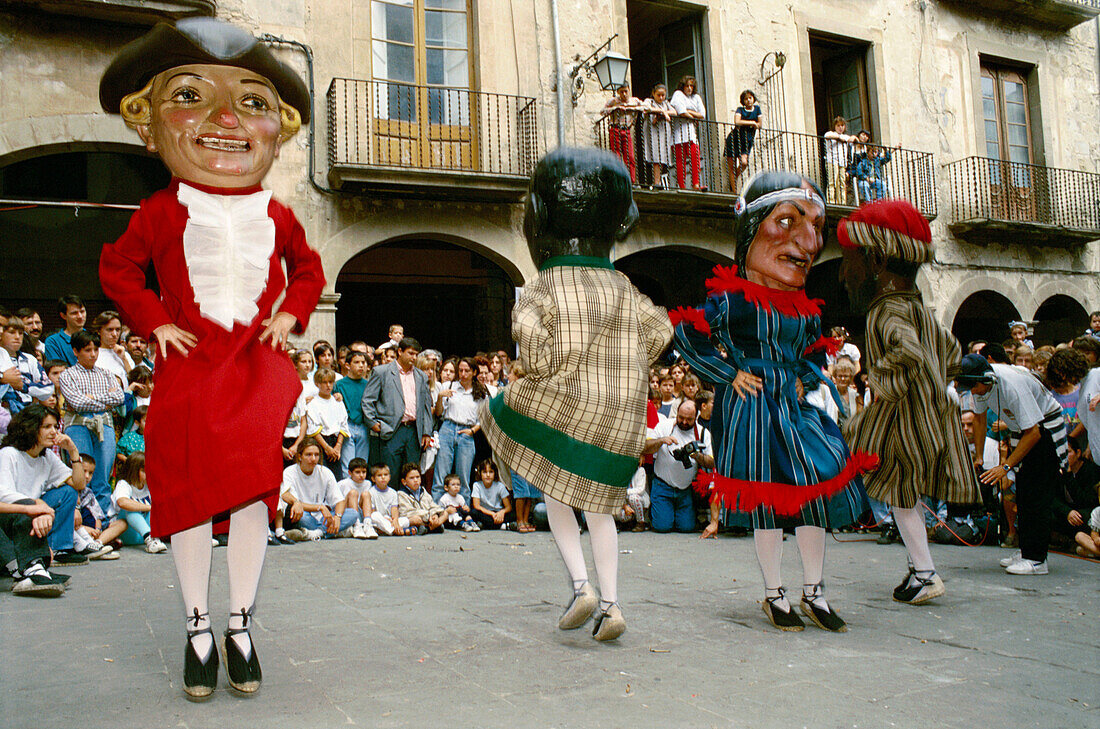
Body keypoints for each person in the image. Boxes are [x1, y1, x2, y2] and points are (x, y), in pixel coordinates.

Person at [97, 18, 325, 698]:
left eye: (252, 103)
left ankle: (240, 624)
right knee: (191, 500)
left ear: (277, 128)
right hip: (191, 372)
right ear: (149, 123)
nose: (225, 119)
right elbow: (120, 269)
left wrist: (290, 313)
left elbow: (308, 270)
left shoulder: (280, 214)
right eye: (192, 96)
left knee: (256, 492)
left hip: (254, 370)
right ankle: (198, 627)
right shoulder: (160, 211)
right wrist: (156, 321)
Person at [480, 148, 672, 642]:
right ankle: (611, 605)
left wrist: (541, 367)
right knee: (601, 507)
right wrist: (623, 361)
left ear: (540, 217)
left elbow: (535, 353)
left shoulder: (545, 285)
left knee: (549, 481)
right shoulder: (624, 285)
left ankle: (581, 586)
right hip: (615, 420)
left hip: (565, 409)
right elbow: (660, 333)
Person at [672, 170, 874, 633]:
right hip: (752, 409)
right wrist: (730, 374)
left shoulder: (803, 306)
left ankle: (815, 592)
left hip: (792, 405)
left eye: (817, 226)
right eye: (788, 223)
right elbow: (686, 331)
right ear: (750, 233)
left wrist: (805, 375)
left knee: (816, 488)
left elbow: (805, 352)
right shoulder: (732, 301)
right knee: (765, 500)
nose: (808, 242)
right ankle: (774, 594)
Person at [838, 199, 981, 604]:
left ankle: (925, 573)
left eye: (851, 260)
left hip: (904, 419)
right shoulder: (918, 306)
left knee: (899, 492)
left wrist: (882, 382)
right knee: (904, 496)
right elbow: (952, 353)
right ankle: (918, 568)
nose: (846, 274)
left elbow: (909, 353)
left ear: (877, 258)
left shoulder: (884, 310)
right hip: (929, 413)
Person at [955, 353, 1067, 575]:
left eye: (973, 387)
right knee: (1023, 492)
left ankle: (1037, 560)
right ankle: (1027, 550)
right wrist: (979, 456)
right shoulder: (980, 384)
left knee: (1036, 494)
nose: (972, 392)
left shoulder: (1012, 386)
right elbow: (979, 417)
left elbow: (1034, 433)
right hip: (1022, 430)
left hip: (1045, 430)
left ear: (985, 379)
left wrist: (1005, 466)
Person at [0, 404, 89, 568]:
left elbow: (78, 484)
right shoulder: (9, 453)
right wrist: (36, 504)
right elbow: (3, 495)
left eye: (55, 426)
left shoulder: (47, 456)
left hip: (35, 512)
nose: (54, 431)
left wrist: (73, 451)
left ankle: (58, 549)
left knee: (67, 492)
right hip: (12, 516)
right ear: (31, 428)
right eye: (47, 427)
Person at [58, 331, 125, 515]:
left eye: (95, 349)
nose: (93, 354)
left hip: (104, 424)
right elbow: (77, 403)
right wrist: (106, 399)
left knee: (102, 476)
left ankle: (102, 522)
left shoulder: (107, 374)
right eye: (88, 350)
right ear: (76, 351)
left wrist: (92, 397)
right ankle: (84, 522)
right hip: (78, 424)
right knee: (81, 473)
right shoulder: (68, 375)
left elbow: (119, 398)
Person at [361, 337, 433, 484]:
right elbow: (368, 400)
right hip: (391, 429)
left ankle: (410, 505)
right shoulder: (382, 372)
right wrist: (373, 423)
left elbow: (426, 406)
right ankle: (391, 505)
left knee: (412, 474)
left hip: (414, 430)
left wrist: (426, 431)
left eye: (416, 354)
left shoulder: (421, 376)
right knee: (391, 472)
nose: (414, 357)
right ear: (399, 351)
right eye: (410, 353)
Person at [643, 400, 714, 533]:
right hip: (662, 485)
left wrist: (697, 456)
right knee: (662, 527)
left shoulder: (703, 433)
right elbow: (646, 448)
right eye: (681, 418)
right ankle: (663, 512)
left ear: (696, 416)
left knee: (686, 528)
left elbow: (712, 462)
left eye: (689, 419)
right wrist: (661, 441)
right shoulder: (664, 426)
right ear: (677, 413)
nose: (684, 422)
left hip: (685, 489)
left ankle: (677, 514)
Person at [281, 438, 358, 540]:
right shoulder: (289, 472)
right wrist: (320, 507)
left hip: (323, 517)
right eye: (308, 455)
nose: (313, 458)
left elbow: (340, 500)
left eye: (316, 455)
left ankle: (316, 533)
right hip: (304, 514)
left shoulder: (325, 472)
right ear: (299, 456)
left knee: (353, 514)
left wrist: (338, 517)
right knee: (302, 517)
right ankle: (336, 532)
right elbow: (285, 495)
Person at [431, 357, 484, 502]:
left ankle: (464, 513)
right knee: (441, 472)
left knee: (463, 475)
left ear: (474, 372)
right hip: (448, 427)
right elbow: (439, 413)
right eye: (460, 370)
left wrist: (472, 431)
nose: (463, 374)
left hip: (466, 431)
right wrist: (440, 397)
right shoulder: (449, 385)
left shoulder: (479, 392)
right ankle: (437, 509)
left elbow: (483, 419)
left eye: (467, 370)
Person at [111, 451, 169, 553]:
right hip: (125, 532)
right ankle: (151, 540)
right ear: (133, 470)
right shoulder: (124, 484)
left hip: (143, 533)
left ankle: (156, 539)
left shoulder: (149, 486)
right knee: (131, 509)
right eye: (144, 471)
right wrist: (149, 507)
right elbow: (122, 502)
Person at [305, 368, 349, 478]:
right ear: (317, 384)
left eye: (330, 382)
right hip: (320, 442)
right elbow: (313, 429)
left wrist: (337, 446)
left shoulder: (337, 402)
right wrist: (327, 448)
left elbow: (343, 425)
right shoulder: (313, 404)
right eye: (324, 382)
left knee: (336, 477)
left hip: (335, 442)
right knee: (321, 476)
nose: (328, 385)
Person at [334, 350, 371, 479]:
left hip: (364, 426)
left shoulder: (368, 384)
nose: (361, 365)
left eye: (363, 362)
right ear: (347, 365)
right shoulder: (339, 385)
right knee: (347, 466)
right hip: (347, 426)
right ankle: (348, 496)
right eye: (356, 362)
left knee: (362, 465)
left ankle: (361, 496)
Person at [669, 76, 706, 191]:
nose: (689, 88)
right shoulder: (678, 94)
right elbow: (681, 111)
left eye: (691, 86)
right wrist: (693, 116)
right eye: (687, 86)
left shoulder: (696, 97)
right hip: (679, 132)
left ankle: (696, 184)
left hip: (691, 133)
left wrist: (689, 112)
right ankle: (682, 186)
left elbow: (703, 114)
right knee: (680, 160)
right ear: (683, 86)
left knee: (695, 157)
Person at [602, 83, 642, 184]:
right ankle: (619, 180)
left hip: (627, 130)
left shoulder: (634, 101)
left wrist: (632, 108)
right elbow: (602, 111)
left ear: (629, 90)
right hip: (615, 129)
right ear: (618, 92)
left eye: (626, 91)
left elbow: (646, 107)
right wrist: (615, 108)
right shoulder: (614, 101)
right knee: (616, 157)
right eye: (621, 92)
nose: (624, 94)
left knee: (630, 157)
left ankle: (632, 181)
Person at [727, 89, 762, 194]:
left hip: (747, 141)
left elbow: (760, 125)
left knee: (744, 163)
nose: (748, 100)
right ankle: (734, 192)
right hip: (734, 139)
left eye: (750, 98)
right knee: (731, 166)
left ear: (753, 99)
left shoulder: (757, 110)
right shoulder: (740, 110)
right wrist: (752, 122)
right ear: (743, 101)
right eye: (746, 98)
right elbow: (737, 121)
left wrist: (752, 124)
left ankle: (733, 178)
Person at [396, 463, 447, 533]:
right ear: (404, 482)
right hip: (418, 518)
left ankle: (434, 525)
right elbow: (407, 512)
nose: (415, 480)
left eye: (417, 477)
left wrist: (434, 515)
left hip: (428, 517)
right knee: (416, 519)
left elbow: (433, 505)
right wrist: (428, 516)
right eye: (412, 478)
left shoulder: (423, 491)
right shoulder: (401, 494)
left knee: (445, 513)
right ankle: (432, 527)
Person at [336, 457, 379, 539]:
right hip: (347, 512)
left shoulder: (367, 483)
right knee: (353, 493)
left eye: (364, 472)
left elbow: (368, 503)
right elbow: (337, 502)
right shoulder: (343, 484)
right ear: (350, 473)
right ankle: (356, 524)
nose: (361, 475)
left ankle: (367, 524)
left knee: (366, 494)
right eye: (357, 472)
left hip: (361, 512)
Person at [366, 462, 412, 536]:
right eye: (379, 475)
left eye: (385, 475)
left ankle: (387, 530)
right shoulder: (371, 492)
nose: (383, 477)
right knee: (375, 515)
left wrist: (395, 520)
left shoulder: (393, 492)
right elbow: (372, 511)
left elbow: (394, 509)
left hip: (390, 519)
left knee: (405, 520)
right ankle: (395, 530)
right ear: (373, 479)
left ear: (389, 477)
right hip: (378, 520)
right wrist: (385, 519)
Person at [642, 83, 673, 189]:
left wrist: (663, 112)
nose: (661, 97)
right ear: (653, 94)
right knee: (655, 155)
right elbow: (645, 108)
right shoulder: (649, 101)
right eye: (658, 95)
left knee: (663, 155)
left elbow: (674, 112)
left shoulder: (666, 103)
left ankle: (659, 180)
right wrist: (662, 112)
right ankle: (656, 181)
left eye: (663, 95)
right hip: (653, 132)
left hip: (664, 132)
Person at [470, 459, 513, 530]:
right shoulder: (477, 485)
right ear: (480, 473)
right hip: (485, 512)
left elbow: (508, 507)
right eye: (484, 472)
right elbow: (476, 506)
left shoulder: (500, 485)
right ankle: (503, 526)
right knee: (474, 512)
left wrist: (501, 512)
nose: (488, 475)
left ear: (495, 473)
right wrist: (491, 514)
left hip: (498, 513)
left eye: (491, 472)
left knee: (513, 514)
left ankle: (485, 525)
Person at [42, 295, 86, 366]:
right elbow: (57, 370)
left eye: (82, 311)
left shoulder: (94, 337)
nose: (80, 316)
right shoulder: (53, 342)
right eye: (74, 313)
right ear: (63, 315)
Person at [823, 116, 855, 205]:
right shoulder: (830, 133)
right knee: (832, 182)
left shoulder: (845, 136)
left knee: (842, 183)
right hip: (832, 161)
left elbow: (853, 139)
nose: (840, 127)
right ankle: (831, 201)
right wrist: (839, 138)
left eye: (842, 125)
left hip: (842, 163)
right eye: (838, 125)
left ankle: (842, 202)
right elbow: (827, 135)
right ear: (835, 126)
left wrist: (852, 137)